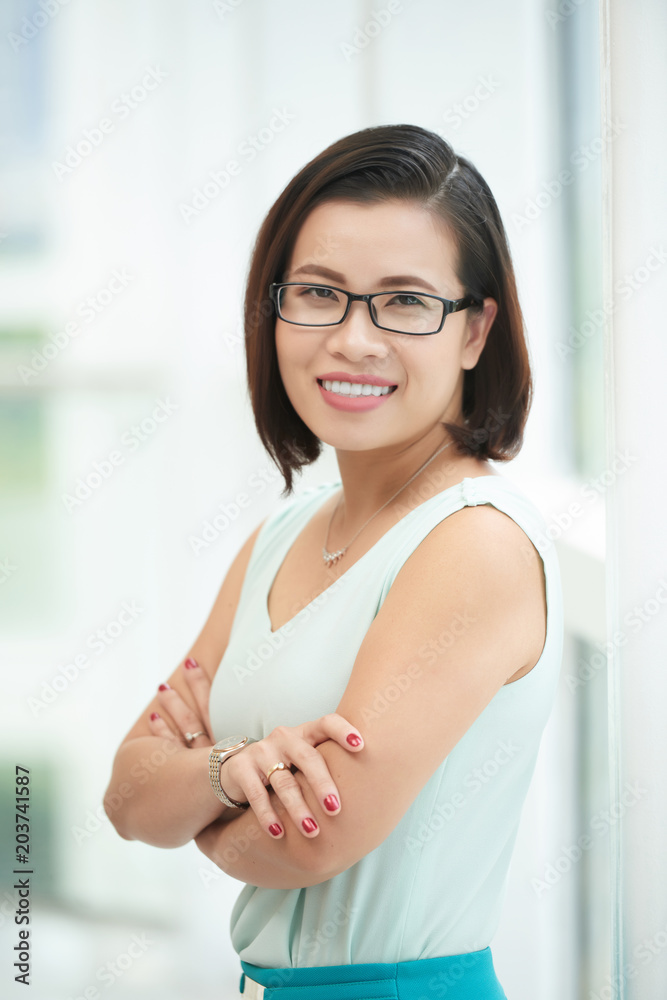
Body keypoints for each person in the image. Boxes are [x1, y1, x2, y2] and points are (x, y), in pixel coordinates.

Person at [104, 123, 563, 1000]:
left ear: (474, 332)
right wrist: (229, 770)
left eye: (403, 301)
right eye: (319, 293)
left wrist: (196, 802)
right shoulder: (285, 534)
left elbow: (311, 839)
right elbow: (126, 796)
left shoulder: (474, 544)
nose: (353, 340)